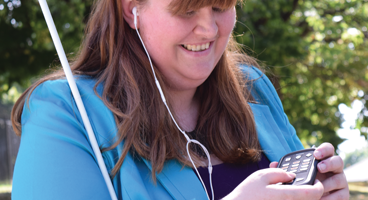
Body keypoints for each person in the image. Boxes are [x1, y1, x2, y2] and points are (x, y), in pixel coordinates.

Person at [11, 0, 349, 199]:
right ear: (132, 10)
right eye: (186, 9)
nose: (209, 30)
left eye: (220, 5)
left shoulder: (254, 87)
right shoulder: (64, 112)